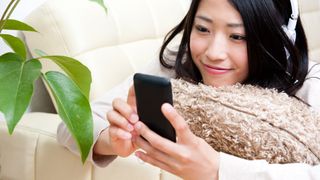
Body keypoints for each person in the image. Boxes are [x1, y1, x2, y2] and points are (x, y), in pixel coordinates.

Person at [57, 0, 320, 179]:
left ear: (280, 38)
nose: (213, 53)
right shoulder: (178, 66)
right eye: (202, 29)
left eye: (237, 36)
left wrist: (217, 170)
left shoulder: (308, 83)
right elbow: (70, 126)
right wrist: (111, 140)